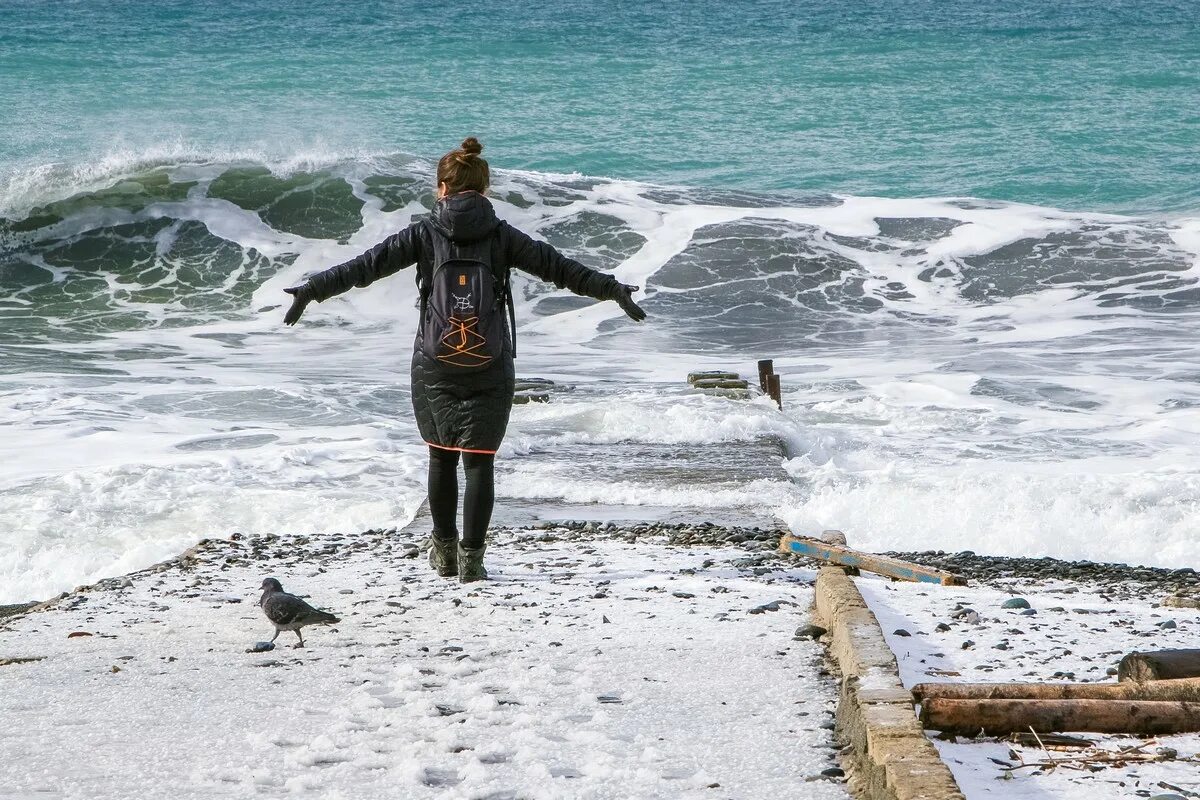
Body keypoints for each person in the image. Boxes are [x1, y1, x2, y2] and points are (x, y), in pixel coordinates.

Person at [281, 137, 646, 583]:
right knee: (479, 461)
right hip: (490, 361)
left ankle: (444, 553)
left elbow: (363, 267)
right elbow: (562, 269)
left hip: (434, 361)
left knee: (440, 458)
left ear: (441, 189)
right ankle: (472, 562)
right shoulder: (503, 235)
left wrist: (311, 289)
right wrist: (612, 288)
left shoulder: (422, 233)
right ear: (484, 189)